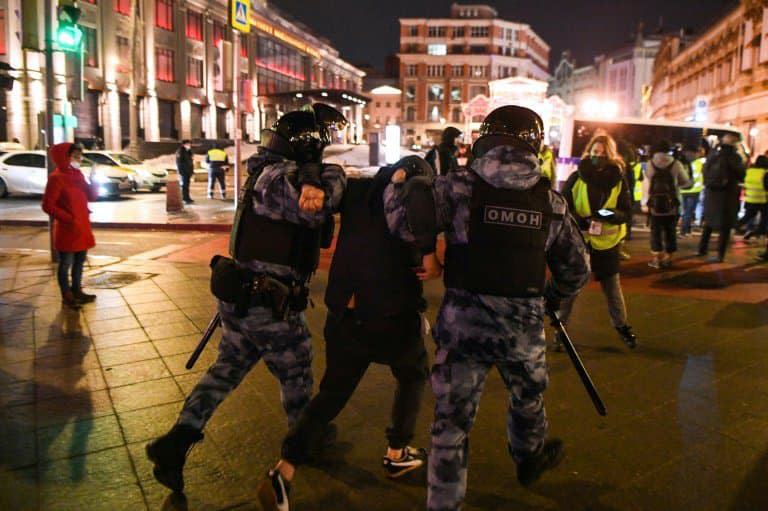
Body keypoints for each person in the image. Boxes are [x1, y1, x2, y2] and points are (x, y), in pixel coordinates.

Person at [384, 106, 591, 511]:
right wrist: (551, 295)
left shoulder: (456, 188)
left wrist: (398, 184)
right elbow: (578, 271)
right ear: (533, 145)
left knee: (451, 422)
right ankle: (529, 456)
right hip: (523, 329)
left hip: (464, 327)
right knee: (528, 396)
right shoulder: (550, 202)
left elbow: (403, 223)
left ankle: (444, 503)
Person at [145, 104, 347, 494]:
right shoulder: (280, 181)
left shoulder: (263, 171)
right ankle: (301, 445)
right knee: (297, 371)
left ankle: (176, 443)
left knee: (225, 371)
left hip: (246, 300)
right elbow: (326, 200)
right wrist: (325, 171)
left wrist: (310, 170)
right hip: (267, 304)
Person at [257, 156, 437, 510]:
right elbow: (418, 258)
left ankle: (285, 469)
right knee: (413, 374)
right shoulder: (412, 202)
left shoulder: (357, 189)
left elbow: (325, 185)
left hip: (343, 312)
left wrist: (310, 178)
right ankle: (397, 452)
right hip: (389, 316)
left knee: (332, 393)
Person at [559, 133, 638, 350]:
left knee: (612, 288)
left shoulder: (619, 180)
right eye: (595, 153)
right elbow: (563, 205)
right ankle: (560, 330)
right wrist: (578, 220)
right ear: (589, 153)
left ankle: (622, 327)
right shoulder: (577, 177)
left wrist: (612, 215)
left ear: (610, 155)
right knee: (570, 288)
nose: (598, 157)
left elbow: (627, 212)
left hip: (607, 243)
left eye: (603, 154)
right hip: (580, 241)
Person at [41, 143, 99, 309]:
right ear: (64, 158)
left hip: (82, 227)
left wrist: (93, 180)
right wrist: (68, 218)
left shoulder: (78, 175)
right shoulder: (56, 178)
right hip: (67, 229)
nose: (78, 160)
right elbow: (48, 205)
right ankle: (67, 295)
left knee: (80, 261)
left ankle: (77, 290)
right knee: (65, 263)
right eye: (75, 156)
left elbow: (92, 196)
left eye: (79, 156)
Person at [697, 134, 747, 262]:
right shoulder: (734, 157)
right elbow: (742, 175)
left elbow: (705, 172)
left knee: (708, 224)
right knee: (725, 227)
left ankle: (701, 249)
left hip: (711, 194)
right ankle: (720, 255)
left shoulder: (713, 155)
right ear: (735, 145)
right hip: (727, 195)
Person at [643, 140, 692, 269]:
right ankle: (669, 258)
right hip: (672, 205)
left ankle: (656, 258)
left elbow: (647, 180)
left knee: (655, 231)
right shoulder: (676, 164)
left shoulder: (650, 164)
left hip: (654, 205)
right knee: (670, 231)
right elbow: (685, 182)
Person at [680, 139, 708, 236]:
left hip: (683, 189)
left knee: (685, 211)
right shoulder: (698, 163)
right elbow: (696, 177)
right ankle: (684, 231)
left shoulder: (682, 162)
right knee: (689, 211)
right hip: (694, 190)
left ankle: (687, 230)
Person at [739, 155, 768, 241]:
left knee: (747, 216)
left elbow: (744, 182)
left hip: (750, 198)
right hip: (762, 199)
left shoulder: (749, 171)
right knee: (765, 217)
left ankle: (733, 227)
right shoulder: (765, 172)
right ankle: (761, 234)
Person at [176, 139, 195, 204]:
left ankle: (187, 197)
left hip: (188, 171)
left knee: (187, 185)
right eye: (188, 144)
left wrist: (192, 171)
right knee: (184, 186)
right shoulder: (180, 151)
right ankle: (185, 198)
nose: (189, 145)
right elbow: (179, 163)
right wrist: (181, 171)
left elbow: (191, 162)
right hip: (183, 171)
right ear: (184, 145)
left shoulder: (188, 151)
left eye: (190, 144)